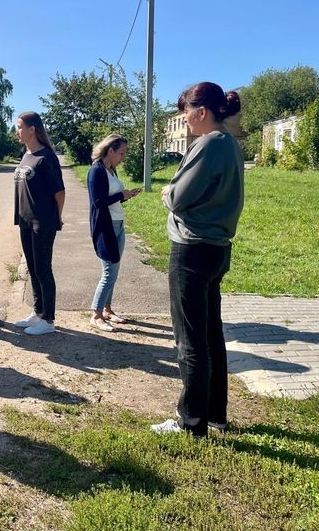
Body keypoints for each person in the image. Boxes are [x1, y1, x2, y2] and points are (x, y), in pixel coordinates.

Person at [150, 82, 244, 438]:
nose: (184, 119)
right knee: (210, 335)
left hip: (191, 249)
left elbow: (178, 197)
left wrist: (166, 192)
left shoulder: (206, 145)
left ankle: (191, 424)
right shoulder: (230, 145)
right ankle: (216, 415)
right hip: (217, 248)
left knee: (189, 340)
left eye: (186, 112)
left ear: (201, 112)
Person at [13, 111, 65, 336]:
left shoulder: (47, 157)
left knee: (43, 269)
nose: (17, 131)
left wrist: (56, 217)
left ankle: (49, 320)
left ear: (32, 129)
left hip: (42, 221)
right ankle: (38, 311)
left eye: (19, 127)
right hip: (25, 220)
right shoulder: (26, 155)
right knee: (32, 269)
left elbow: (60, 192)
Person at [87, 134, 142, 332]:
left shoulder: (111, 170)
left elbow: (112, 199)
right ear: (110, 150)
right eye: (121, 152)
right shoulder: (96, 170)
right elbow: (98, 202)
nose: (123, 157)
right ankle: (96, 314)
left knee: (114, 271)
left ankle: (108, 310)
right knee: (109, 272)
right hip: (105, 227)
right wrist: (121, 194)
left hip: (118, 224)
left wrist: (126, 196)